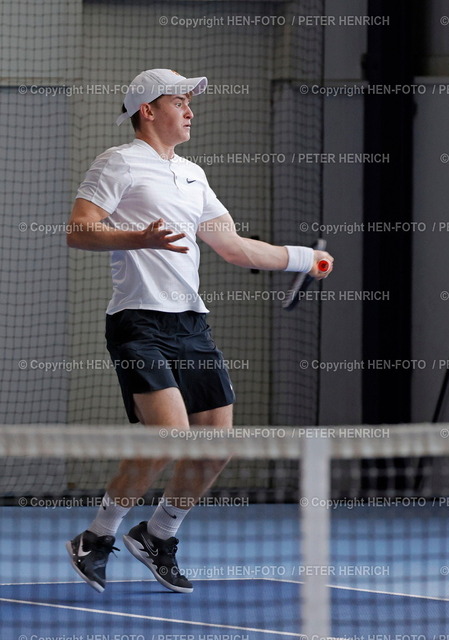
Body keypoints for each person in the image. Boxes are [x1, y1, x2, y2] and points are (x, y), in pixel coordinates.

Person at [65, 68, 333, 594]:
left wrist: (307, 258)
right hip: (138, 321)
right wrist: (134, 237)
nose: (190, 110)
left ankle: (158, 535)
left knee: (215, 446)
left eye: (191, 102)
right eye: (180, 101)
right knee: (168, 437)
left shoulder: (193, 174)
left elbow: (234, 247)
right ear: (148, 110)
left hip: (191, 323)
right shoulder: (118, 162)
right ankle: (96, 538)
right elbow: (79, 230)